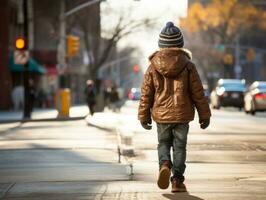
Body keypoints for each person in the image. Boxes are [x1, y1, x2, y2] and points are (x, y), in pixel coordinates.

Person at [138, 22, 211, 193]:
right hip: (182, 114)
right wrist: (204, 114)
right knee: (179, 146)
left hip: (161, 115)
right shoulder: (188, 66)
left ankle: (164, 163)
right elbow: (198, 93)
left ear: (161, 44)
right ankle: (177, 180)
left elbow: (146, 94)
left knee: (163, 143)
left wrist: (143, 116)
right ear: (180, 44)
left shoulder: (152, 67)